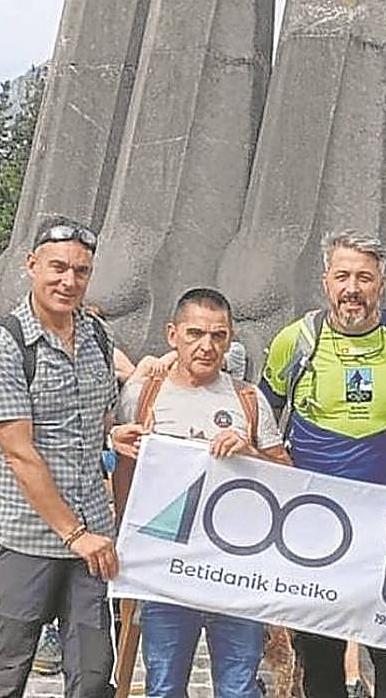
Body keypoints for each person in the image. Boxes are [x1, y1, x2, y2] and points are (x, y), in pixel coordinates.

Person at [259, 230, 386, 698]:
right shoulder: (295, 341)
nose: (353, 288)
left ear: (381, 284)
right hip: (316, 523)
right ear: (326, 281)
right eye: (342, 276)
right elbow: (258, 411)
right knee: (320, 651)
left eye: (364, 277)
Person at [110, 287, 288, 698]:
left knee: (239, 688)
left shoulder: (248, 399)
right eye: (195, 334)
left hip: (234, 568)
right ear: (173, 335)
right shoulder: (142, 395)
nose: (207, 346)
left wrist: (251, 453)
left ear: (230, 339)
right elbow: (123, 472)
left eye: (218, 336)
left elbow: (287, 478)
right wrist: (126, 540)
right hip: (166, 569)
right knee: (164, 686)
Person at [0, 216, 119, 698]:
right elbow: (19, 452)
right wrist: (74, 534)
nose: (68, 281)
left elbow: (98, 423)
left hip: (92, 538)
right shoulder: (2, 342)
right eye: (57, 267)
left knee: (94, 677)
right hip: (24, 537)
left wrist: (119, 437)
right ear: (31, 265)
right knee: (7, 675)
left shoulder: (98, 335)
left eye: (80, 271)